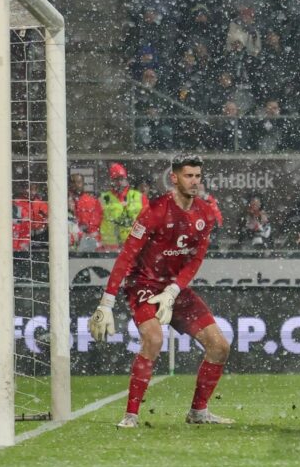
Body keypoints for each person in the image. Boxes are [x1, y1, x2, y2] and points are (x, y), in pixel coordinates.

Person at [87, 155, 231, 428]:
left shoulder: (205, 213)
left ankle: (198, 412)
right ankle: (130, 415)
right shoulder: (154, 211)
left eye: (198, 176)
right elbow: (126, 256)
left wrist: (175, 290)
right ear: (174, 178)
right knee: (153, 340)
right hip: (144, 285)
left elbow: (196, 259)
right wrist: (106, 303)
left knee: (220, 347)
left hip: (175, 290)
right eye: (188, 176)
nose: (194, 182)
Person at [98, 163, 148, 250]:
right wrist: (98, 243)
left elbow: (147, 221)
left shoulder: (139, 197)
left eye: (121, 179)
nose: (119, 182)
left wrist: (137, 240)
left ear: (126, 179)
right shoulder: (103, 198)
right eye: (116, 179)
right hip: (110, 249)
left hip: (133, 248)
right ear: (111, 181)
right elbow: (95, 224)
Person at [69, 173, 103, 251]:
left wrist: (82, 235)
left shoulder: (92, 201)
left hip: (88, 244)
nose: (76, 185)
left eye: (79, 182)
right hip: (69, 244)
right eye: (73, 182)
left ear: (83, 183)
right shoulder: (64, 202)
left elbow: (95, 225)